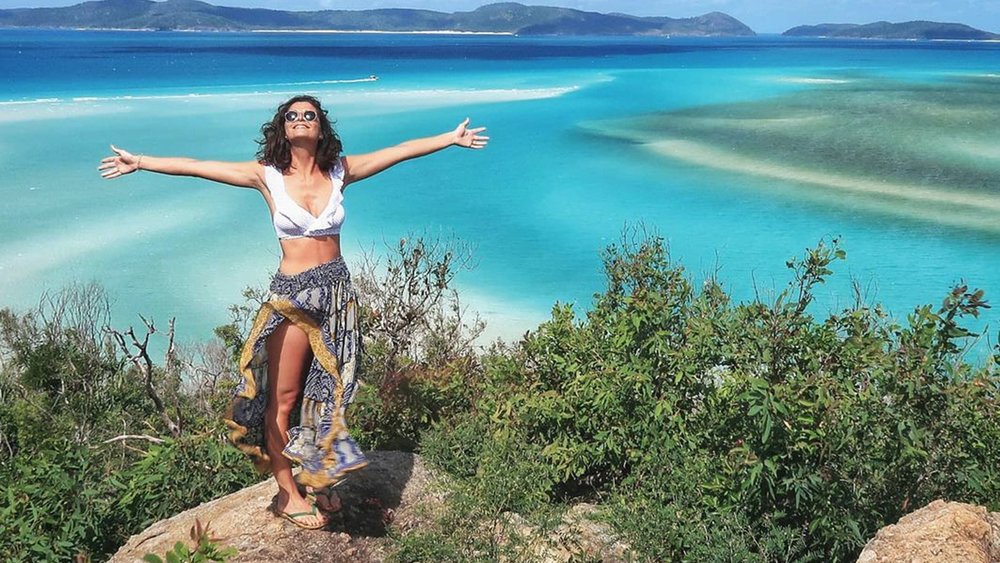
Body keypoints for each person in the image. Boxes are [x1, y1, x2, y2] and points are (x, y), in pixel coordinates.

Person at [99, 94, 488, 529]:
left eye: (310, 116)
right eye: (292, 116)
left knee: (331, 393)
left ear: (320, 128)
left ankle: (319, 477)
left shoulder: (340, 170)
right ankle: (287, 492)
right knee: (282, 400)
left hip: (338, 296)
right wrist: (142, 161)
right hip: (293, 298)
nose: (301, 120)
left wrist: (449, 139)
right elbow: (198, 166)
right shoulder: (265, 175)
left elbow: (396, 152)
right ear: (282, 128)